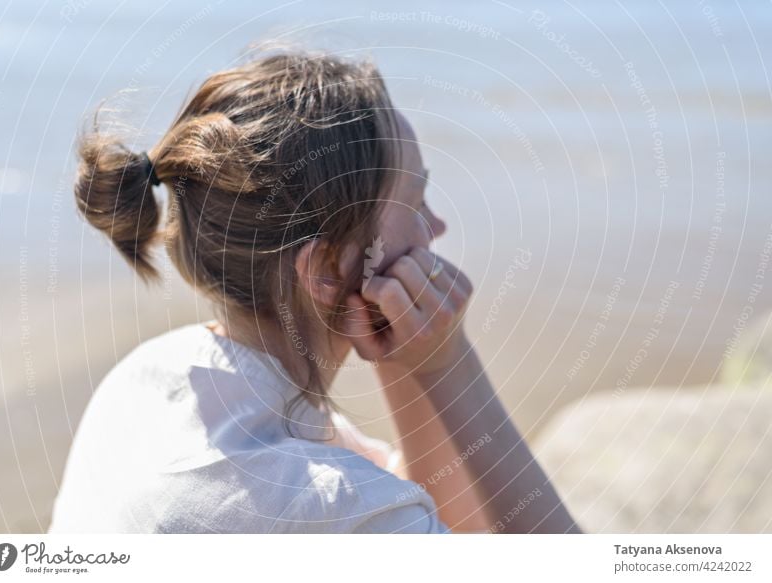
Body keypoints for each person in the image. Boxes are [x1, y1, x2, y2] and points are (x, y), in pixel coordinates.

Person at [49, 48, 580, 534]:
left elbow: (427, 510)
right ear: (327, 267)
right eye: (417, 201)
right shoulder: (334, 508)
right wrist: (449, 366)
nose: (437, 227)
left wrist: (408, 361)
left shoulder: (150, 374)